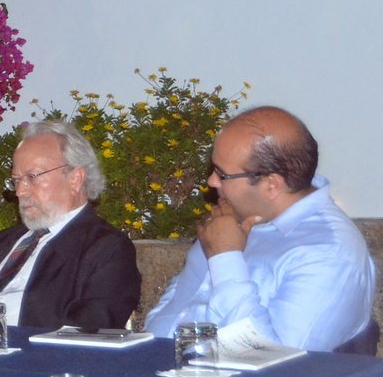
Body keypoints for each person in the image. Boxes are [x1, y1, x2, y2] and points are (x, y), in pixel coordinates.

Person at [145, 106, 376, 353]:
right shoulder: (232, 216)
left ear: (271, 185)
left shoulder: (329, 253)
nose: (211, 181)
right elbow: (173, 306)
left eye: (222, 174)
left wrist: (226, 257)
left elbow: (277, 358)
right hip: (155, 364)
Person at [0, 121, 140, 329]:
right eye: (16, 180)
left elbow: (89, 331)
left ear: (75, 179)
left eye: (32, 177)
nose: (20, 191)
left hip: (30, 350)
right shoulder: (5, 242)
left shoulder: (107, 249)